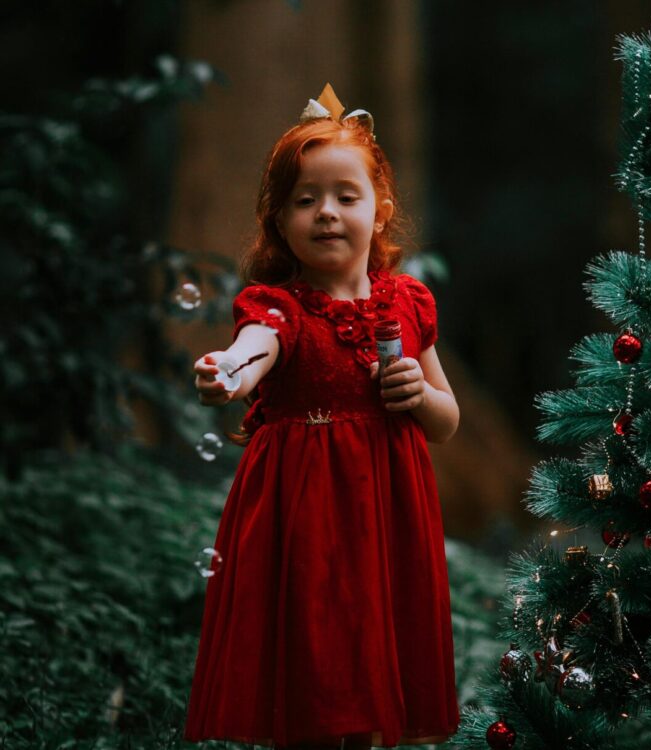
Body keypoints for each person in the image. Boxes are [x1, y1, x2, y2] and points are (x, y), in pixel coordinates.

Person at [183, 85, 461, 750]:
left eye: (345, 196)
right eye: (305, 200)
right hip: (302, 516)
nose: (326, 213)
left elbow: (445, 419)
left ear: (380, 209)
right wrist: (227, 371)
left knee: (371, 669)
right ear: (279, 221)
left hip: (386, 514)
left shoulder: (407, 304)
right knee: (311, 671)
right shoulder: (278, 308)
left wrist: (414, 397)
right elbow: (254, 352)